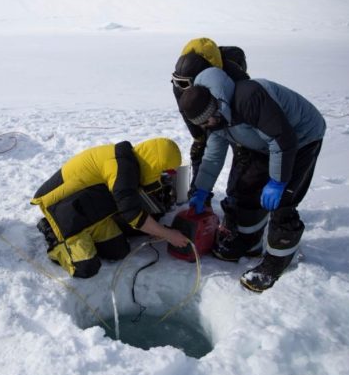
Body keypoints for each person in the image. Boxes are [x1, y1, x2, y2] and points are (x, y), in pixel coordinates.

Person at [178, 67, 326, 292]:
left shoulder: (248, 98)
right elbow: (213, 156)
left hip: (300, 138)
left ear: (215, 106)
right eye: (202, 124)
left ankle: (277, 262)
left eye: (207, 121)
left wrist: (278, 182)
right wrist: (201, 189)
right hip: (263, 143)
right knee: (245, 188)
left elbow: (282, 139)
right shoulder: (214, 119)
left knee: (283, 201)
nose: (207, 126)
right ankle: (249, 241)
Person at [31, 137, 188, 278]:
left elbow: (129, 204)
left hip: (90, 211)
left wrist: (157, 229)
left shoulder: (130, 162)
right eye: (164, 170)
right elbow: (131, 213)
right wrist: (167, 234)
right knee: (86, 267)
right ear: (155, 163)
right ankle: (51, 230)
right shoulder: (121, 167)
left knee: (118, 251)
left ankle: (86, 235)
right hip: (61, 209)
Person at [171, 37, 250, 197]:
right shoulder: (180, 84)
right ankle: (199, 193)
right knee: (202, 149)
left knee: (244, 155)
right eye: (179, 83)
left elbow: (244, 105)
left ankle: (236, 198)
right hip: (208, 109)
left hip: (232, 114)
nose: (183, 88)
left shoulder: (233, 78)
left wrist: (240, 138)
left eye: (187, 84)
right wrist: (198, 137)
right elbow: (186, 112)